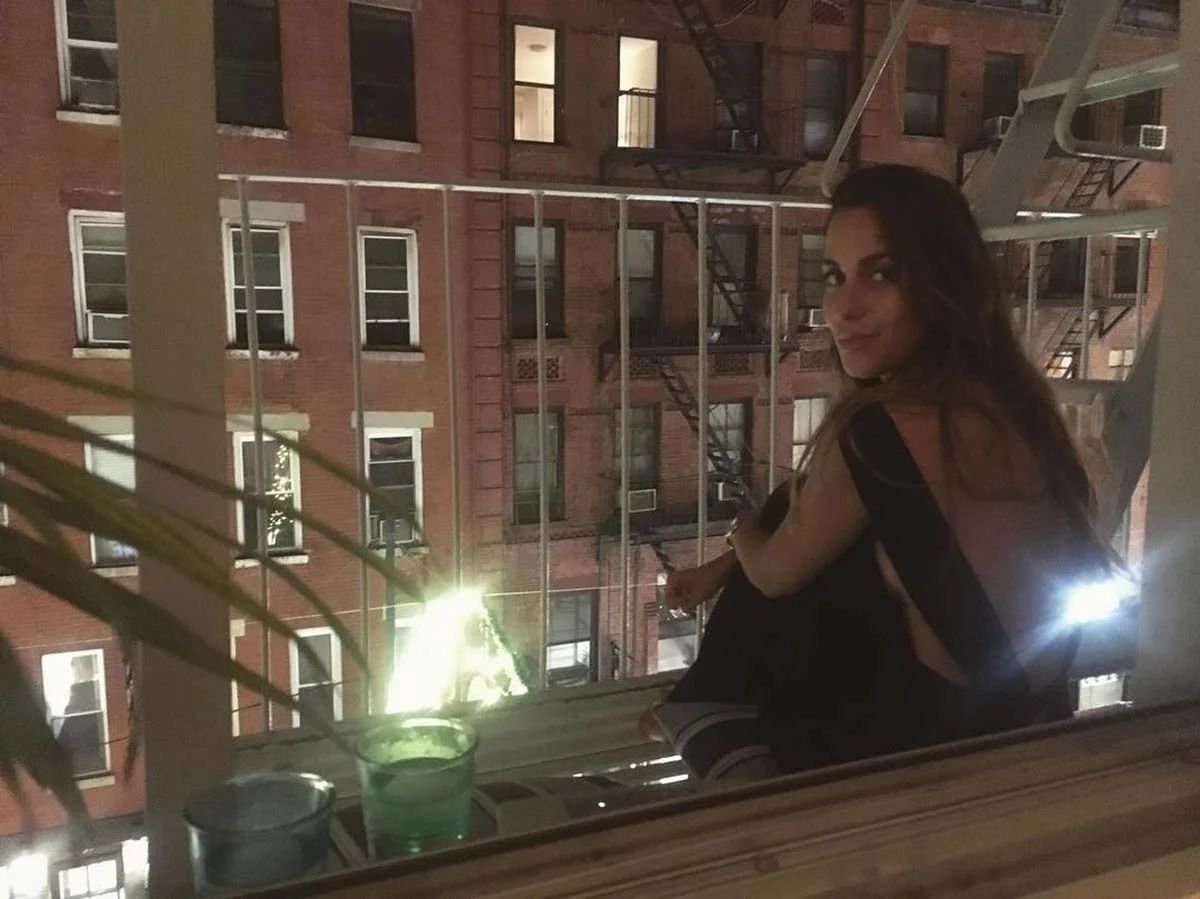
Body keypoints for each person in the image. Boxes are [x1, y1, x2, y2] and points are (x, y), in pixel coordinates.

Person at [646, 164, 1116, 782]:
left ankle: (709, 717)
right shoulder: (1013, 405)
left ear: (943, 282)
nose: (842, 309)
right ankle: (704, 708)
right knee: (811, 503)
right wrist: (726, 563)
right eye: (833, 276)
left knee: (791, 514)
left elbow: (775, 575)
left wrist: (741, 535)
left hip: (936, 749)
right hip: (1032, 713)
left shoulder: (886, 428)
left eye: (882, 273)